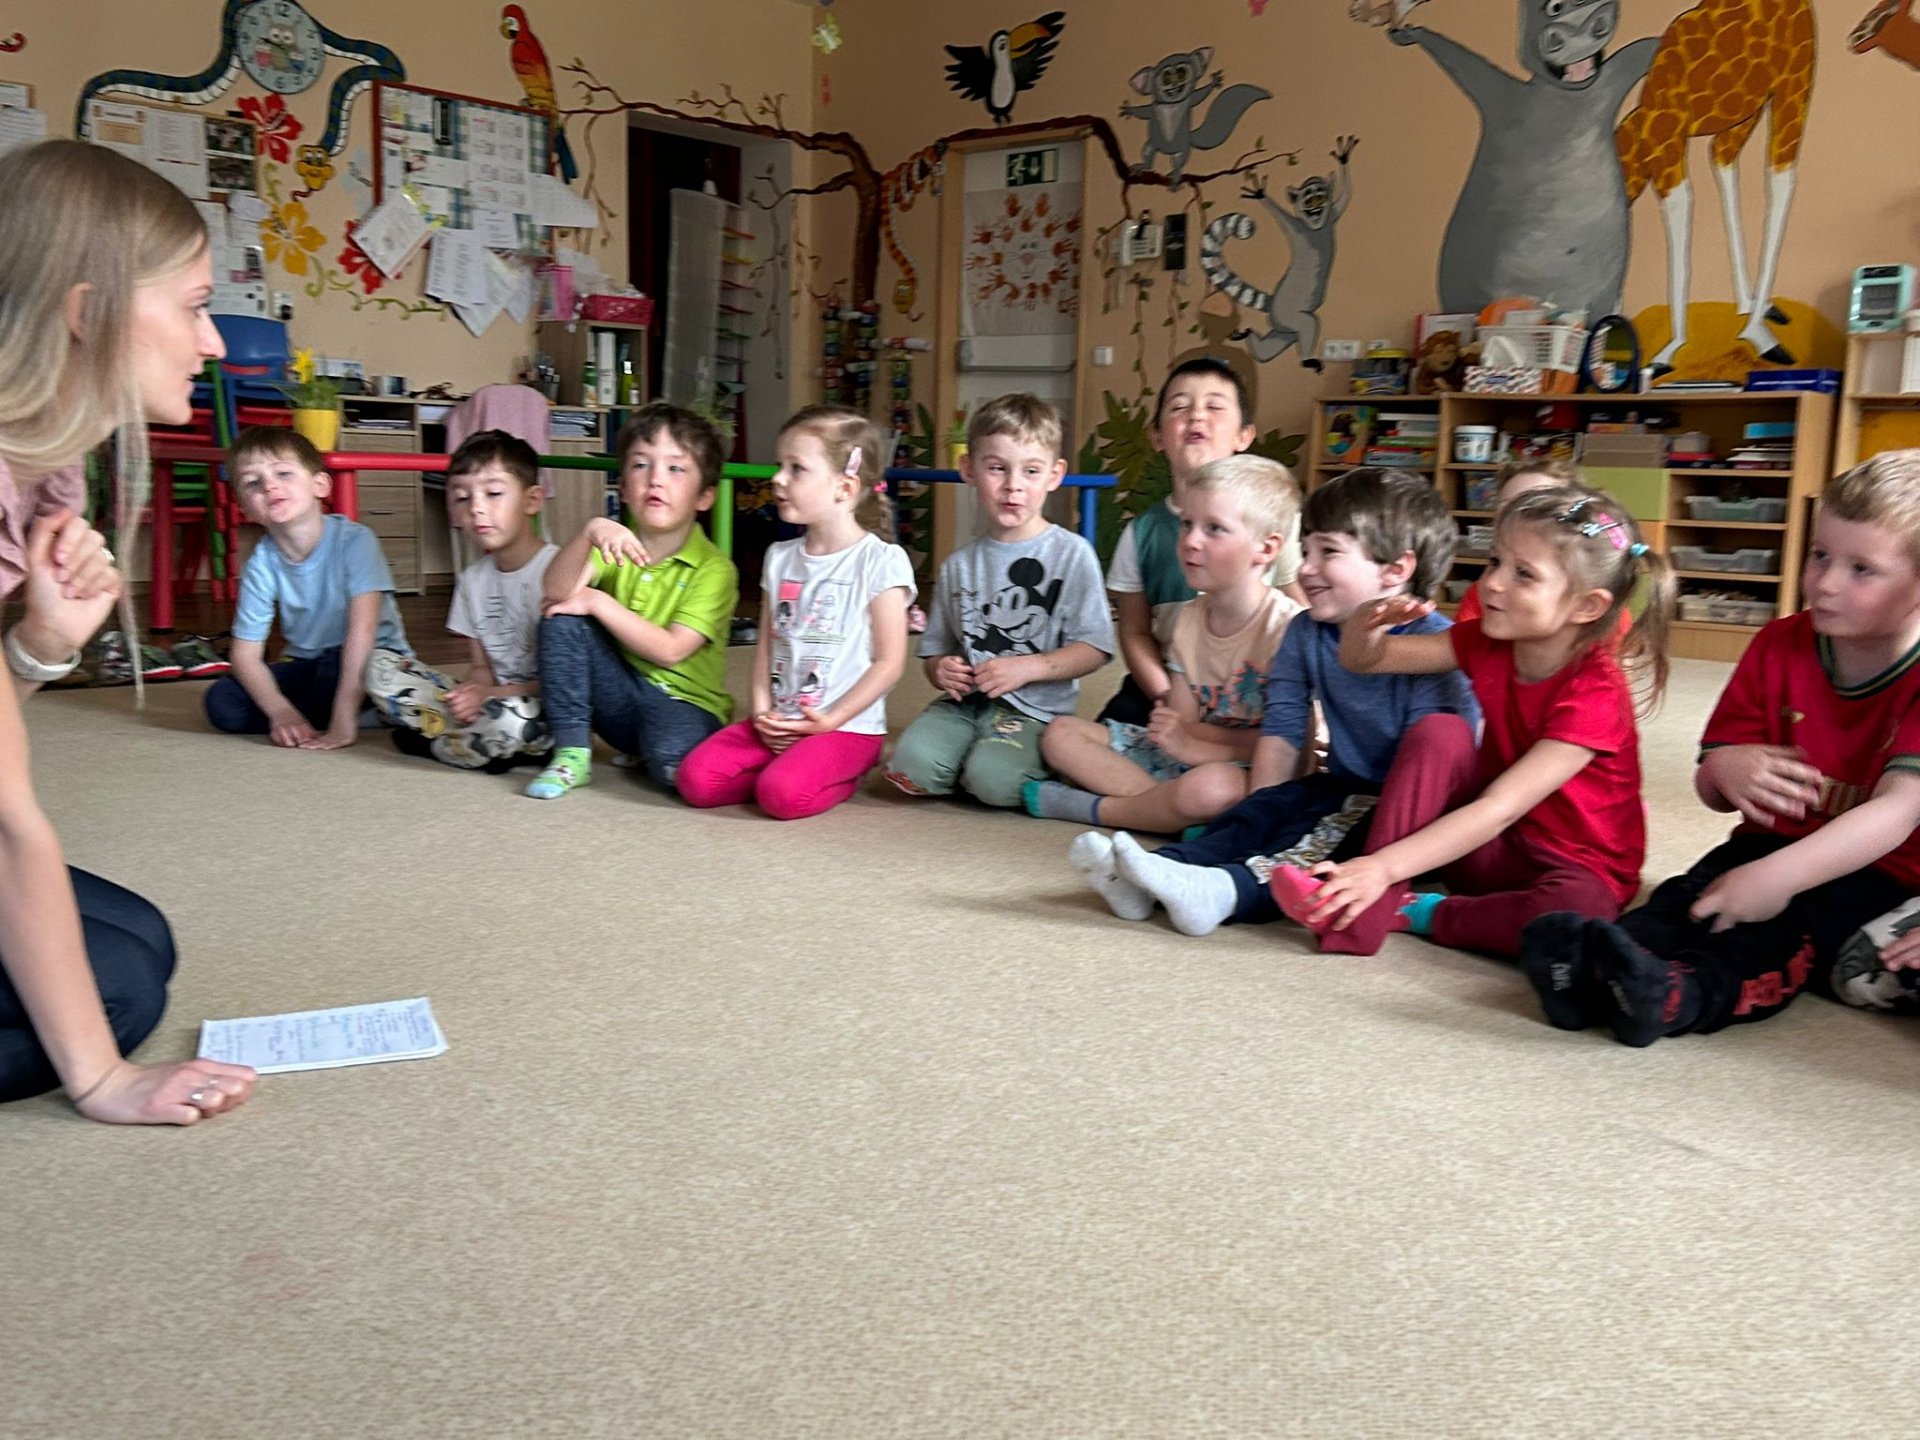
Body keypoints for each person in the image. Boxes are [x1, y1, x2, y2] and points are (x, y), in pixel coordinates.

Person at [0, 139, 255, 1121]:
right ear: (87, 312)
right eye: (194, 307)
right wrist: (103, 1079)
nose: (214, 343)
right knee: (116, 999)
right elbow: (7, 821)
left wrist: (41, 645)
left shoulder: (46, 464)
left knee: (140, 938)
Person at [1521, 452, 1920, 1046]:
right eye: (1820, 555)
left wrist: (1778, 878)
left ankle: (1676, 997)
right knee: (1688, 897)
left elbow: (1898, 811)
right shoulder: (1780, 643)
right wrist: (1725, 767)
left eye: (1862, 569)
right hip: (1765, 844)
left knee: (1774, 935)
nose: (1826, 582)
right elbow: (1711, 788)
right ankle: (1591, 968)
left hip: (1878, 875)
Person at [1276, 483, 1675, 959]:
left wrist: (1383, 867)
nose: (1492, 584)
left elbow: (1499, 806)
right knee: (1440, 731)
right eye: (1494, 562)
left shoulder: (1597, 694)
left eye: (1523, 574)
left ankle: (1412, 909)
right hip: (1492, 848)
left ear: (1587, 606)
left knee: (1577, 914)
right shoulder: (1486, 640)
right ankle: (1367, 904)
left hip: (1573, 863)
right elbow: (1367, 660)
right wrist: (1367, 625)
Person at [1078, 467, 1477, 935]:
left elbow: (1436, 766)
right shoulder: (1307, 631)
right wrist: (1262, 807)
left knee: (1315, 840)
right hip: (1341, 783)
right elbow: (1283, 729)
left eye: (1328, 552)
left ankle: (1229, 892)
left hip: (1403, 811)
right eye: (1305, 550)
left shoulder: (1434, 647)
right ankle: (1156, 873)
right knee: (1269, 810)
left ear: (1395, 570)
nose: (1305, 568)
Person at [1025, 454, 1302, 833]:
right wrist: (1181, 740)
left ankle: (1102, 810)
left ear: (1266, 550)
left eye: (1214, 529)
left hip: (1243, 768)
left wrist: (1197, 745)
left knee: (1212, 787)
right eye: (1187, 524)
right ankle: (1169, 812)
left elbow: (1285, 748)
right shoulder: (1188, 617)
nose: (1190, 541)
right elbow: (1182, 721)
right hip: (1180, 755)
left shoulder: (1288, 630)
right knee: (1060, 734)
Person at [678, 406, 913, 818]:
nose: (778, 478)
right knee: (695, 781)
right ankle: (788, 768)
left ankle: (846, 771)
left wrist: (829, 721)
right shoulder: (779, 556)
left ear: (844, 487)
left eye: (796, 469)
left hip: (845, 728)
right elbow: (768, 644)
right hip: (779, 721)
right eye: (779, 466)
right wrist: (761, 711)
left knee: (781, 796)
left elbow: (889, 663)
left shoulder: (881, 561)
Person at [883, 393, 1114, 809]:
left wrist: (1029, 667)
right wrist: (941, 669)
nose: (1013, 485)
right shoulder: (958, 565)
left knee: (993, 783)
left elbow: (1095, 648)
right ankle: (973, 759)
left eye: (1031, 471)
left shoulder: (1072, 554)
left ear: (1055, 475)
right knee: (909, 767)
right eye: (997, 468)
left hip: (1034, 711)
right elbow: (935, 651)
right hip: (965, 705)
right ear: (968, 470)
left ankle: (1001, 763)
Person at [527, 402, 737, 798]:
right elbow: (555, 591)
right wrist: (590, 531)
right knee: (560, 617)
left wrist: (597, 602)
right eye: (641, 465)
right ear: (623, 488)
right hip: (619, 699)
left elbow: (671, 650)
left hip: (684, 703)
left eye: (675, 468)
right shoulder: (612, 543)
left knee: (675, 771)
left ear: (705, 496)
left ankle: (673, 749)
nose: (656, 479)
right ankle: (572, 751)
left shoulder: (715, 569)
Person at [1100, 357, 1307, 727]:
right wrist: (1167, 697)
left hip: (1248, 687)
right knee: (1082, 740)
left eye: (1214, 406)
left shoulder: (1277, 524)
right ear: (1157, 436)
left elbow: (1299, 609)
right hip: (1166, 681)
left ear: (1244, 435)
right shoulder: (1142, 532)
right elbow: (1134, 631)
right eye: (1180, 407)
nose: (1196, 415)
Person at [202, 426, 411, 748]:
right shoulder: (261, 562)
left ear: (320, 485)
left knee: (337, 667)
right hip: (309, 667)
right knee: (222, 701)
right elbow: (245, 656)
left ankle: (350, 711)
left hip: (374, 661)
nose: (269, 486)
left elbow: (363, 635)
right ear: (244, 507)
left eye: (283, 473)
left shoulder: (356, 541)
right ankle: (348, 715)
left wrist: (343, 724)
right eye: (253, 483)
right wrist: (281, 712)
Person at [366, 430, 556, 771]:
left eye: (493, 494)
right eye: (462, 498)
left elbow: (564, 681)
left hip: (540, 708)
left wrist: (491, 696)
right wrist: (470, 695)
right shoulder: (471, 580)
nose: (476, 508)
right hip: (491, 700)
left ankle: (442, 743)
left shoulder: (557, 570)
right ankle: (472, 739)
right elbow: (481, 668)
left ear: (532, 500)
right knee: (377, 667)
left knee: (513, 719)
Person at [1453, 457, 1584, 624]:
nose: (1516, 521)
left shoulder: (1588, 600)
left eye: (1535, 510)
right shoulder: (1482, 592)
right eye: (1506, 509)